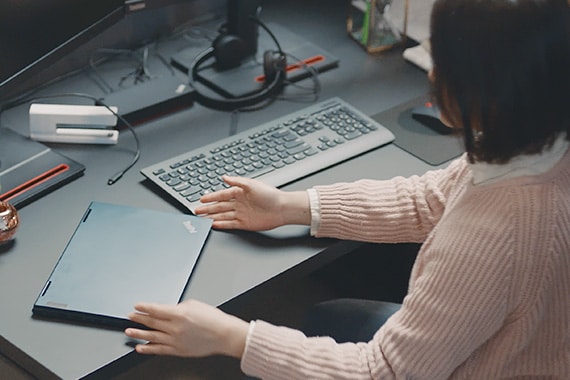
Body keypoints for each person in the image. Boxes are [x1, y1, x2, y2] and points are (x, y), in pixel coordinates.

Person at [124, 0, 570, 378]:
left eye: (441, 59)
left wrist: (233, 337)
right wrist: (292, 206)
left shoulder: (490, 238)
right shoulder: (537, 146)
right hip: (527, 344)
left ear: (487, 87)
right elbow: (430, 199)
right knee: (329, 314)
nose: (432, 76)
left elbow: (383, 371)